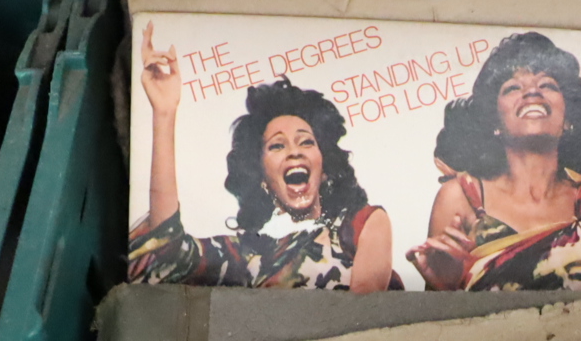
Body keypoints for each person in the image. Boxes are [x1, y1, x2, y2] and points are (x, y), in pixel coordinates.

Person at [128, 25, 394, 290]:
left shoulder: (361, 224)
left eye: (306, 141)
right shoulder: (246, 254)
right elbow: (166, 249)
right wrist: (164, 113)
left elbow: (367, 315)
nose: (294, 150)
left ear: (324, 168)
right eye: (277, 146)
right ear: (262, 179)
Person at [412, 31, 581, 291]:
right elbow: (440, 317)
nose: (532, 91)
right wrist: (444, 285)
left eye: (548, 85)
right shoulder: (461, 197)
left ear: (568, 118)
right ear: (495, 124)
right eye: (512, 88)